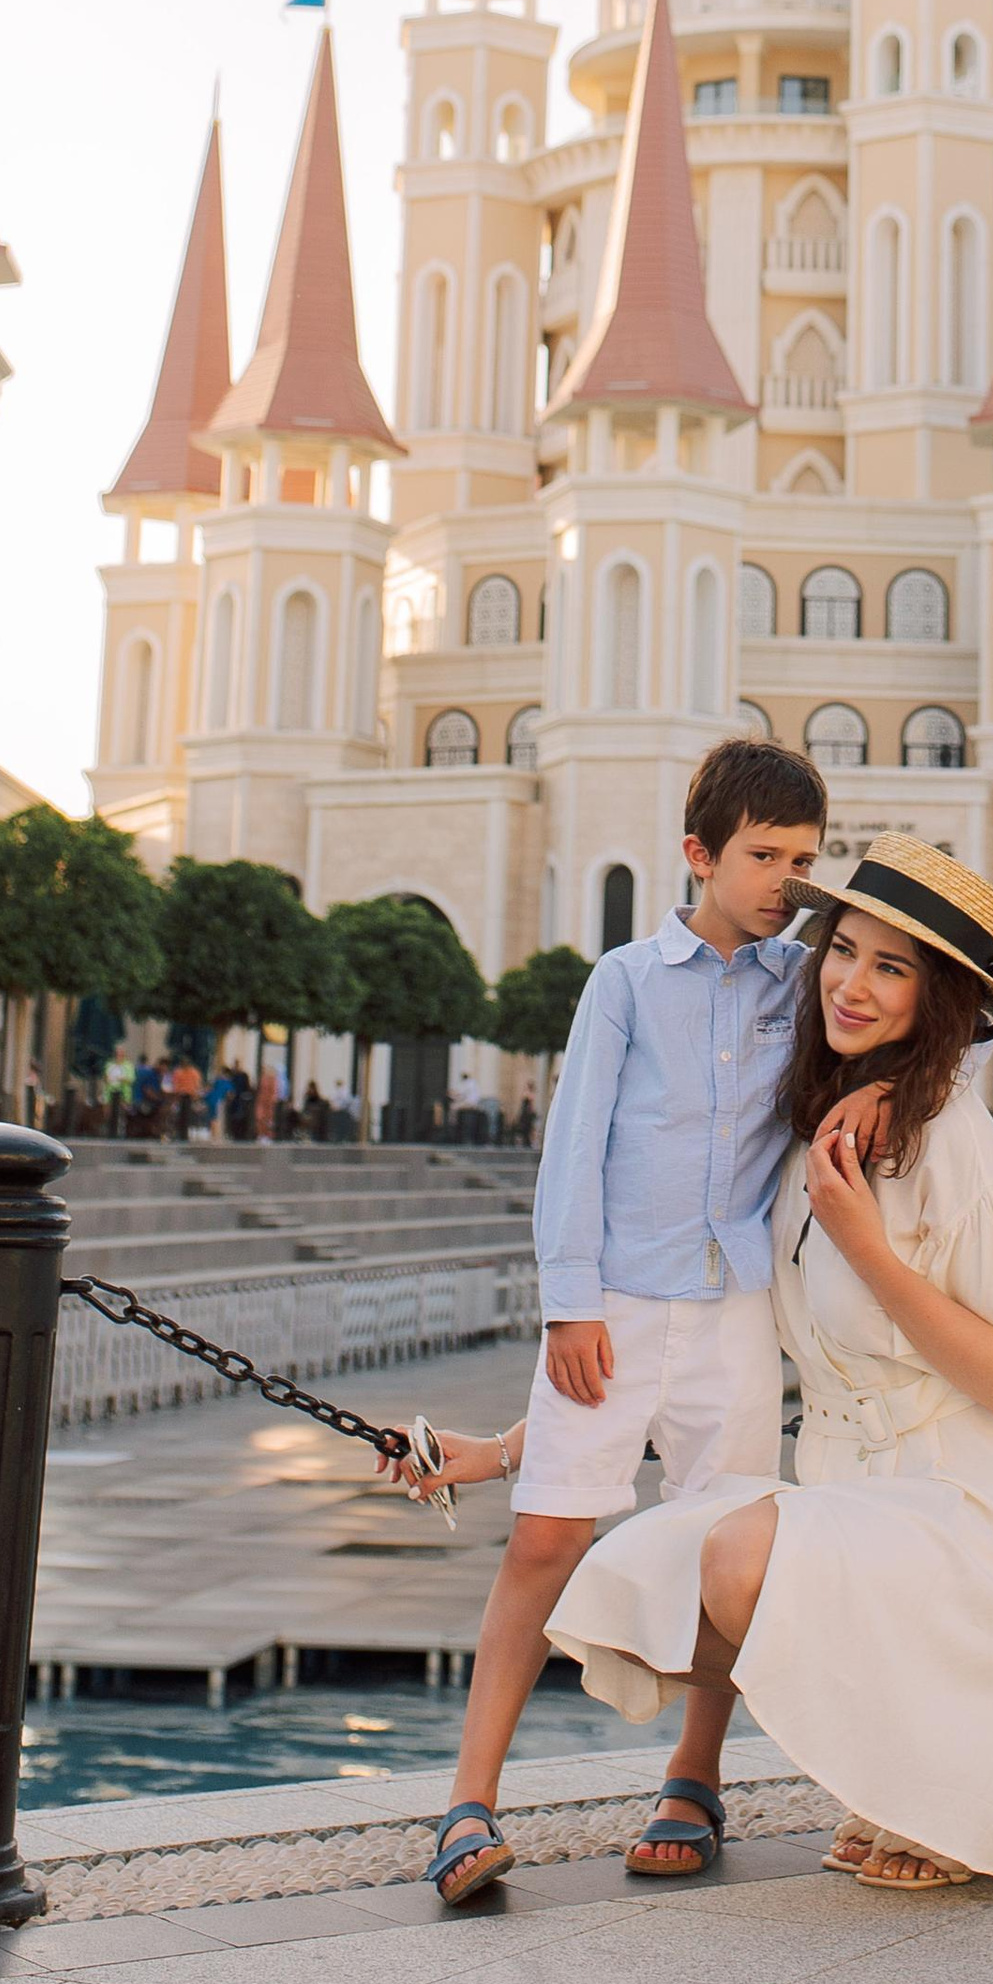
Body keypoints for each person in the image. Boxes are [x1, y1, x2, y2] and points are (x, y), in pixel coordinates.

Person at [535, 837, 993, 1893]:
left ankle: (940, 1794)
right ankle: (898, 1785)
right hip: (858, 1480)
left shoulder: (951, 1140)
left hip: (972, 1503)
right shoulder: (816, 1122)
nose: (850, 985)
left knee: (731, 1556)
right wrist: (516, 1439)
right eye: (844, 952)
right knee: (665, 1559)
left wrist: (867, 1244)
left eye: (890, 968)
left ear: (938, 1000)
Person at [399, 736, 829, 1910]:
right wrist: (569, 1305)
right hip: (617, 1306)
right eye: (760, 855)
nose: (782, 879)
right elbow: (574, 1145)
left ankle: (692, 1781)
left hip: (733, 1308)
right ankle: (469, 1801)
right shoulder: (625, 982)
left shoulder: (803, 982)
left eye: (801, 859)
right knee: (545, 1538)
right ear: (698, 853)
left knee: (720, 1553)